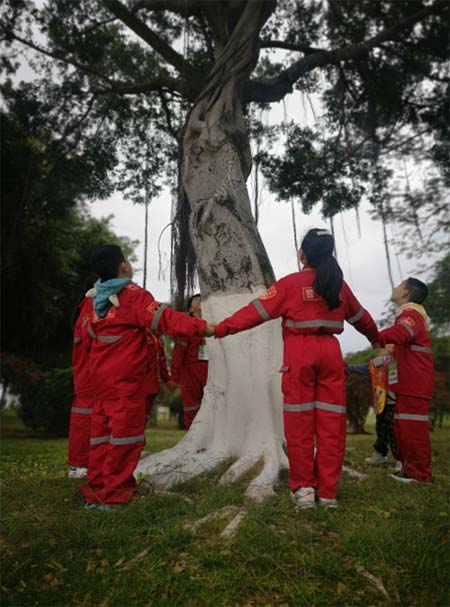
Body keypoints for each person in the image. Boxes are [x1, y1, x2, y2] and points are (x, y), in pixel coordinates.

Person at [214, 228, 379, 509]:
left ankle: (304, 491)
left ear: (302, 254)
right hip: (330, 352)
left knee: (299, 425)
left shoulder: (291, 284)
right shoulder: (338, 284)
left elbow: (255, 312)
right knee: (331, 426)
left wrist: (221, 328)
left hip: (300, 354)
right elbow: (361, 318)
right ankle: (328, 494)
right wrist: (379, 339)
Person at [81, 244, 215, 509]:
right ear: (123, 266)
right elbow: (166, 320)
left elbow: (89, 340)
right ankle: (116, 495)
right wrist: (204, 328)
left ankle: (96, 493)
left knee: (100, 439)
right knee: (125, 438)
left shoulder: (92, 301)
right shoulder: (132, 295)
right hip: (126, 383)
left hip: (101, 383)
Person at [378, 278, 434, 483]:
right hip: (408, 383)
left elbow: (401, 333)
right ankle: (409, 470)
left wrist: (375, 335)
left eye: (400, 285)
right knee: (404, 428)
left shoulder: (412, 315)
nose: (394, 287)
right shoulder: (409, 315)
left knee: (413, 429)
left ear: (406, 294)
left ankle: (420, 475)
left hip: (414, 383)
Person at [346, 346, 401, 471]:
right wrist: (347, 366)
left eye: (383, 347)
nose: (378, 350)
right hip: (381, 402)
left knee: (393, 431)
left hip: (394, 403)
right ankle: (380, 454)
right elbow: (362, 368)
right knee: (381, 428)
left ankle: (400, 458)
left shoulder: (398, 361)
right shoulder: (374, 363)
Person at [171, 294, 209, 430]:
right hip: (190, 373)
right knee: (192, 408)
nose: (200, 301)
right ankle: (192, 440)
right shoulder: (186, 327)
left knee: (211, 407)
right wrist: (174, 379)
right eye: (196, 300)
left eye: (201, 298)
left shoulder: (211, 324)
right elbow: (177, 354)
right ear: (191, 309)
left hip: (209, 371)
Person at [67, 296, 94, 478]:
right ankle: (78, 465)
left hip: (89, 373)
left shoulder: (89, 304)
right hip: (89, 374)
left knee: (87, 419)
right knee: (83, 420)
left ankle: (82, 464)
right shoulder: (90, 303)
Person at [145, 331, 175, 427]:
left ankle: (139, 439)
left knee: (144, 417)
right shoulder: (141, 335)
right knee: (137, 418)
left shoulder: (158, 339)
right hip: (141, 386)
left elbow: (162, 362)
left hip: (153, 385)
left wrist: (168, 380)